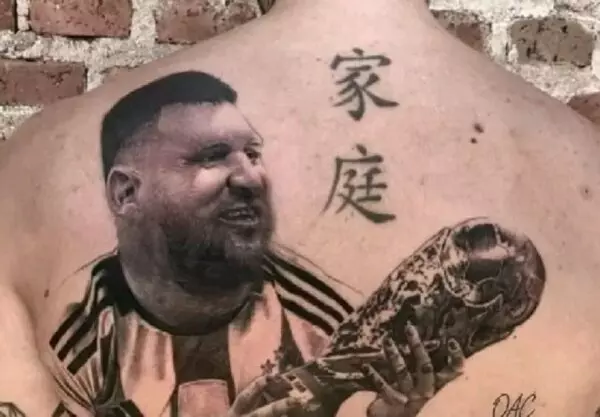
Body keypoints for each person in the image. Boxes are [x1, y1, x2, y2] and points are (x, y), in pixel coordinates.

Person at [1, 0, 600, 416]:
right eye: (213, 156)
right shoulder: (584, 168)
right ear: (123, 192)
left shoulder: (34, 164)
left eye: (253, 154)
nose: (249, 177)